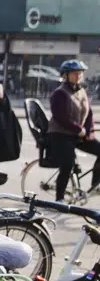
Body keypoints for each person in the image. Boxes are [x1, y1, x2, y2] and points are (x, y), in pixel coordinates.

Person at [48, 59, 100, 200]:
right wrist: (78, 129)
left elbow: (88, 113)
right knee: (68, 163)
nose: (78, 77)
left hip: (78, 134)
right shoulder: (59, 93)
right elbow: (60, 117)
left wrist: (88, 131)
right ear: (65, 75)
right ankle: (59, 198)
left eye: (80, 74)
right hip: (60, 134)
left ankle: (95, 185)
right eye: (75, 74)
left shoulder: (82, 90)